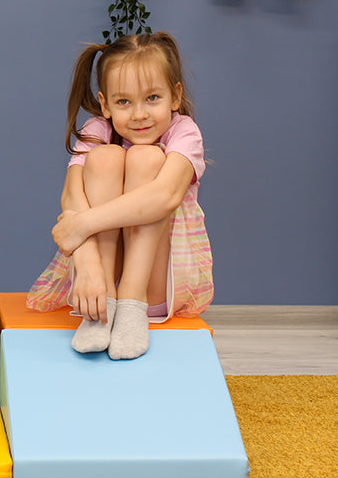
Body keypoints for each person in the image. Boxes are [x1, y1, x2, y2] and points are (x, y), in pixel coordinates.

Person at [27, 32, 213, 360]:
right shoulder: (98, 129)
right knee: (104, 157)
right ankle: (105, 305)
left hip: (156, 284)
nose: (139, 114)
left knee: (147, 157)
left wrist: (79, 227)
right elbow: (72, 196)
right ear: (105, 104)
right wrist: (87, 268)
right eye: (124, 102)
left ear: (175, 96)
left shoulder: (184, 132)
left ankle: (130, 303)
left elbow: (166, 195)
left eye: (152, 98)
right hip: (96, 285)